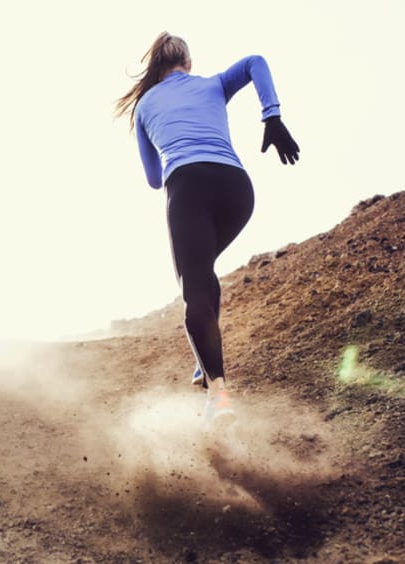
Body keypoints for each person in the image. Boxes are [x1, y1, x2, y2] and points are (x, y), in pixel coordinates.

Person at [115, 32, 299, 422]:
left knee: (194, 288)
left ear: (157, 67)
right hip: (237, 191)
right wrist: (272, 116)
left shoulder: (145, 105)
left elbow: (152, 178)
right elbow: (255, 61)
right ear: (188, 62)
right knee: (203, 274)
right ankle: (204, 362)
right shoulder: (213, 85)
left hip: (189, 189)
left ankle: (218, 392)